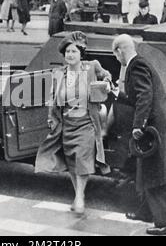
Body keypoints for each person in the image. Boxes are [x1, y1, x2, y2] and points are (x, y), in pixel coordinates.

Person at [112, 34, 166, 236]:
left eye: (115, 55)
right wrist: (117, 94)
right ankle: (147, 213)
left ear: (120, 50)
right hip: (159, 122)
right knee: (144, 169)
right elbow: (139, 96)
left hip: (154, 125)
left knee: (154, 173)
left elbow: (145, 95)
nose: (117, 60)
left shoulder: (137, 66)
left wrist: (138, 125)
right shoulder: (141, 64)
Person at [36, 31, 112, 215]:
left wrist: (107, 82)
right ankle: (78, 194)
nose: (70, 55)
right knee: (71, 161)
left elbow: (106, 74)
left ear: (81, 53)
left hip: (86, 122)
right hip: (66, 124)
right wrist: (51, 119)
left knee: (82, 158)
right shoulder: (59, 74)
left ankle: (79, 197)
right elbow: (53, 98)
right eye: (68, 52)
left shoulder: (92, 67)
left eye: (74, 52)